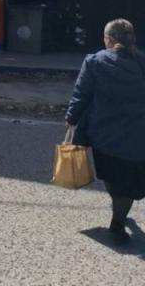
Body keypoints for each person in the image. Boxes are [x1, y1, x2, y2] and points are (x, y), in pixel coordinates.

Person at [66, 18, 145, 244]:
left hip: (104, 135)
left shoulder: (95, 62)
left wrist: (71, 118)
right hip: (138, 135)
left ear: (107, 39)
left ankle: (117, 223)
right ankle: (119, 218)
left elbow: (81, 94)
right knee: (128, 180)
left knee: (114, 178)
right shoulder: (142, 62)